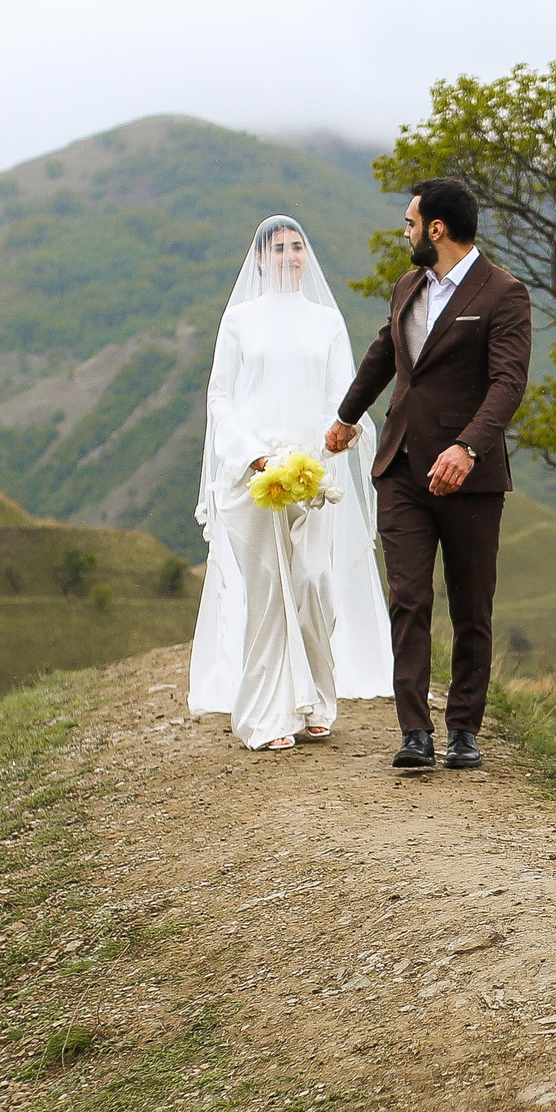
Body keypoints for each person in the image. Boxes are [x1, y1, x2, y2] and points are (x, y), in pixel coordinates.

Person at [328, 175, 531, 770]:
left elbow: (507, 384)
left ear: (436, 229)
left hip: (471, 478)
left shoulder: (504, 294)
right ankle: (414, 732)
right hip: (403, 470)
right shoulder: (407, 285)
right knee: (408, 600)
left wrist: (467, 448)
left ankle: (463, 731)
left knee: (472, 607)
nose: (405, 231)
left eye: (411, 222)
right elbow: (384, 354)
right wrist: (346, 416)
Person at [189, 216, 393, 750]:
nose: (290, 256)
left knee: (312, 584)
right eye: (279, 249)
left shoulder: (325, 321)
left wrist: (328, 446)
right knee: (268, 592)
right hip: (256, 476)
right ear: (260, 259)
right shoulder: (239, 321)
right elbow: (220, 398)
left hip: (312, 472)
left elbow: (341, 395)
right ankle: (268, 716)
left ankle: (319, 700)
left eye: (298, 247)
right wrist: (253, 454)